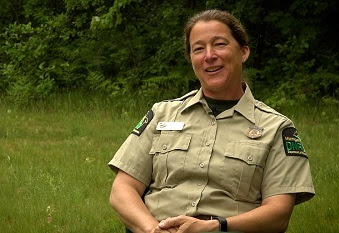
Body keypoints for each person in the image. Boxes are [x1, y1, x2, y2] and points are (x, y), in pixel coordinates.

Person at [108, 9, 315, 233]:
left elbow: (279, 214)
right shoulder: (162, 114)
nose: (209, 55)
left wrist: (215, 226)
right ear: (191, 59)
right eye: (198, 49)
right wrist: (151, 229)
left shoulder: (277, 128)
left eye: (219, 44)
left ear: (243, 52)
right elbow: (122, 189)